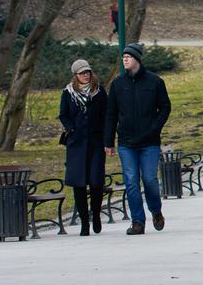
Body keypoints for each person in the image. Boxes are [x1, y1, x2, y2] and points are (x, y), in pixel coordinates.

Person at [104, 43, 171, 235]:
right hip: (126, 142)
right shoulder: (118, 84)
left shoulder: (154, 82)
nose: (125, 59)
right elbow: (111, 113)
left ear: (137, 59)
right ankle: (137, 222)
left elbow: (165, 107)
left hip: (149, 141)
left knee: (149, 179)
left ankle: (156, 210)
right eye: (123, 57)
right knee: (131, 181)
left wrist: (155, 127)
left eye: (129, 56)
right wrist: (108, 141)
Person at [59, 60, 108, 236]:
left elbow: (106, 114)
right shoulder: (68, 92)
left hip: (96, 142)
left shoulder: (99, 92)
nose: (85, 75)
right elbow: (63, 114)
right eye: (81, 73)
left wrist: (106, 138)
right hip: (77, 144)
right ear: (75, 75)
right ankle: (84, 222)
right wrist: (71, 129)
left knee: (96, 182)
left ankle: (96, 215)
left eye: (87, 72)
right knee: (79, 184)